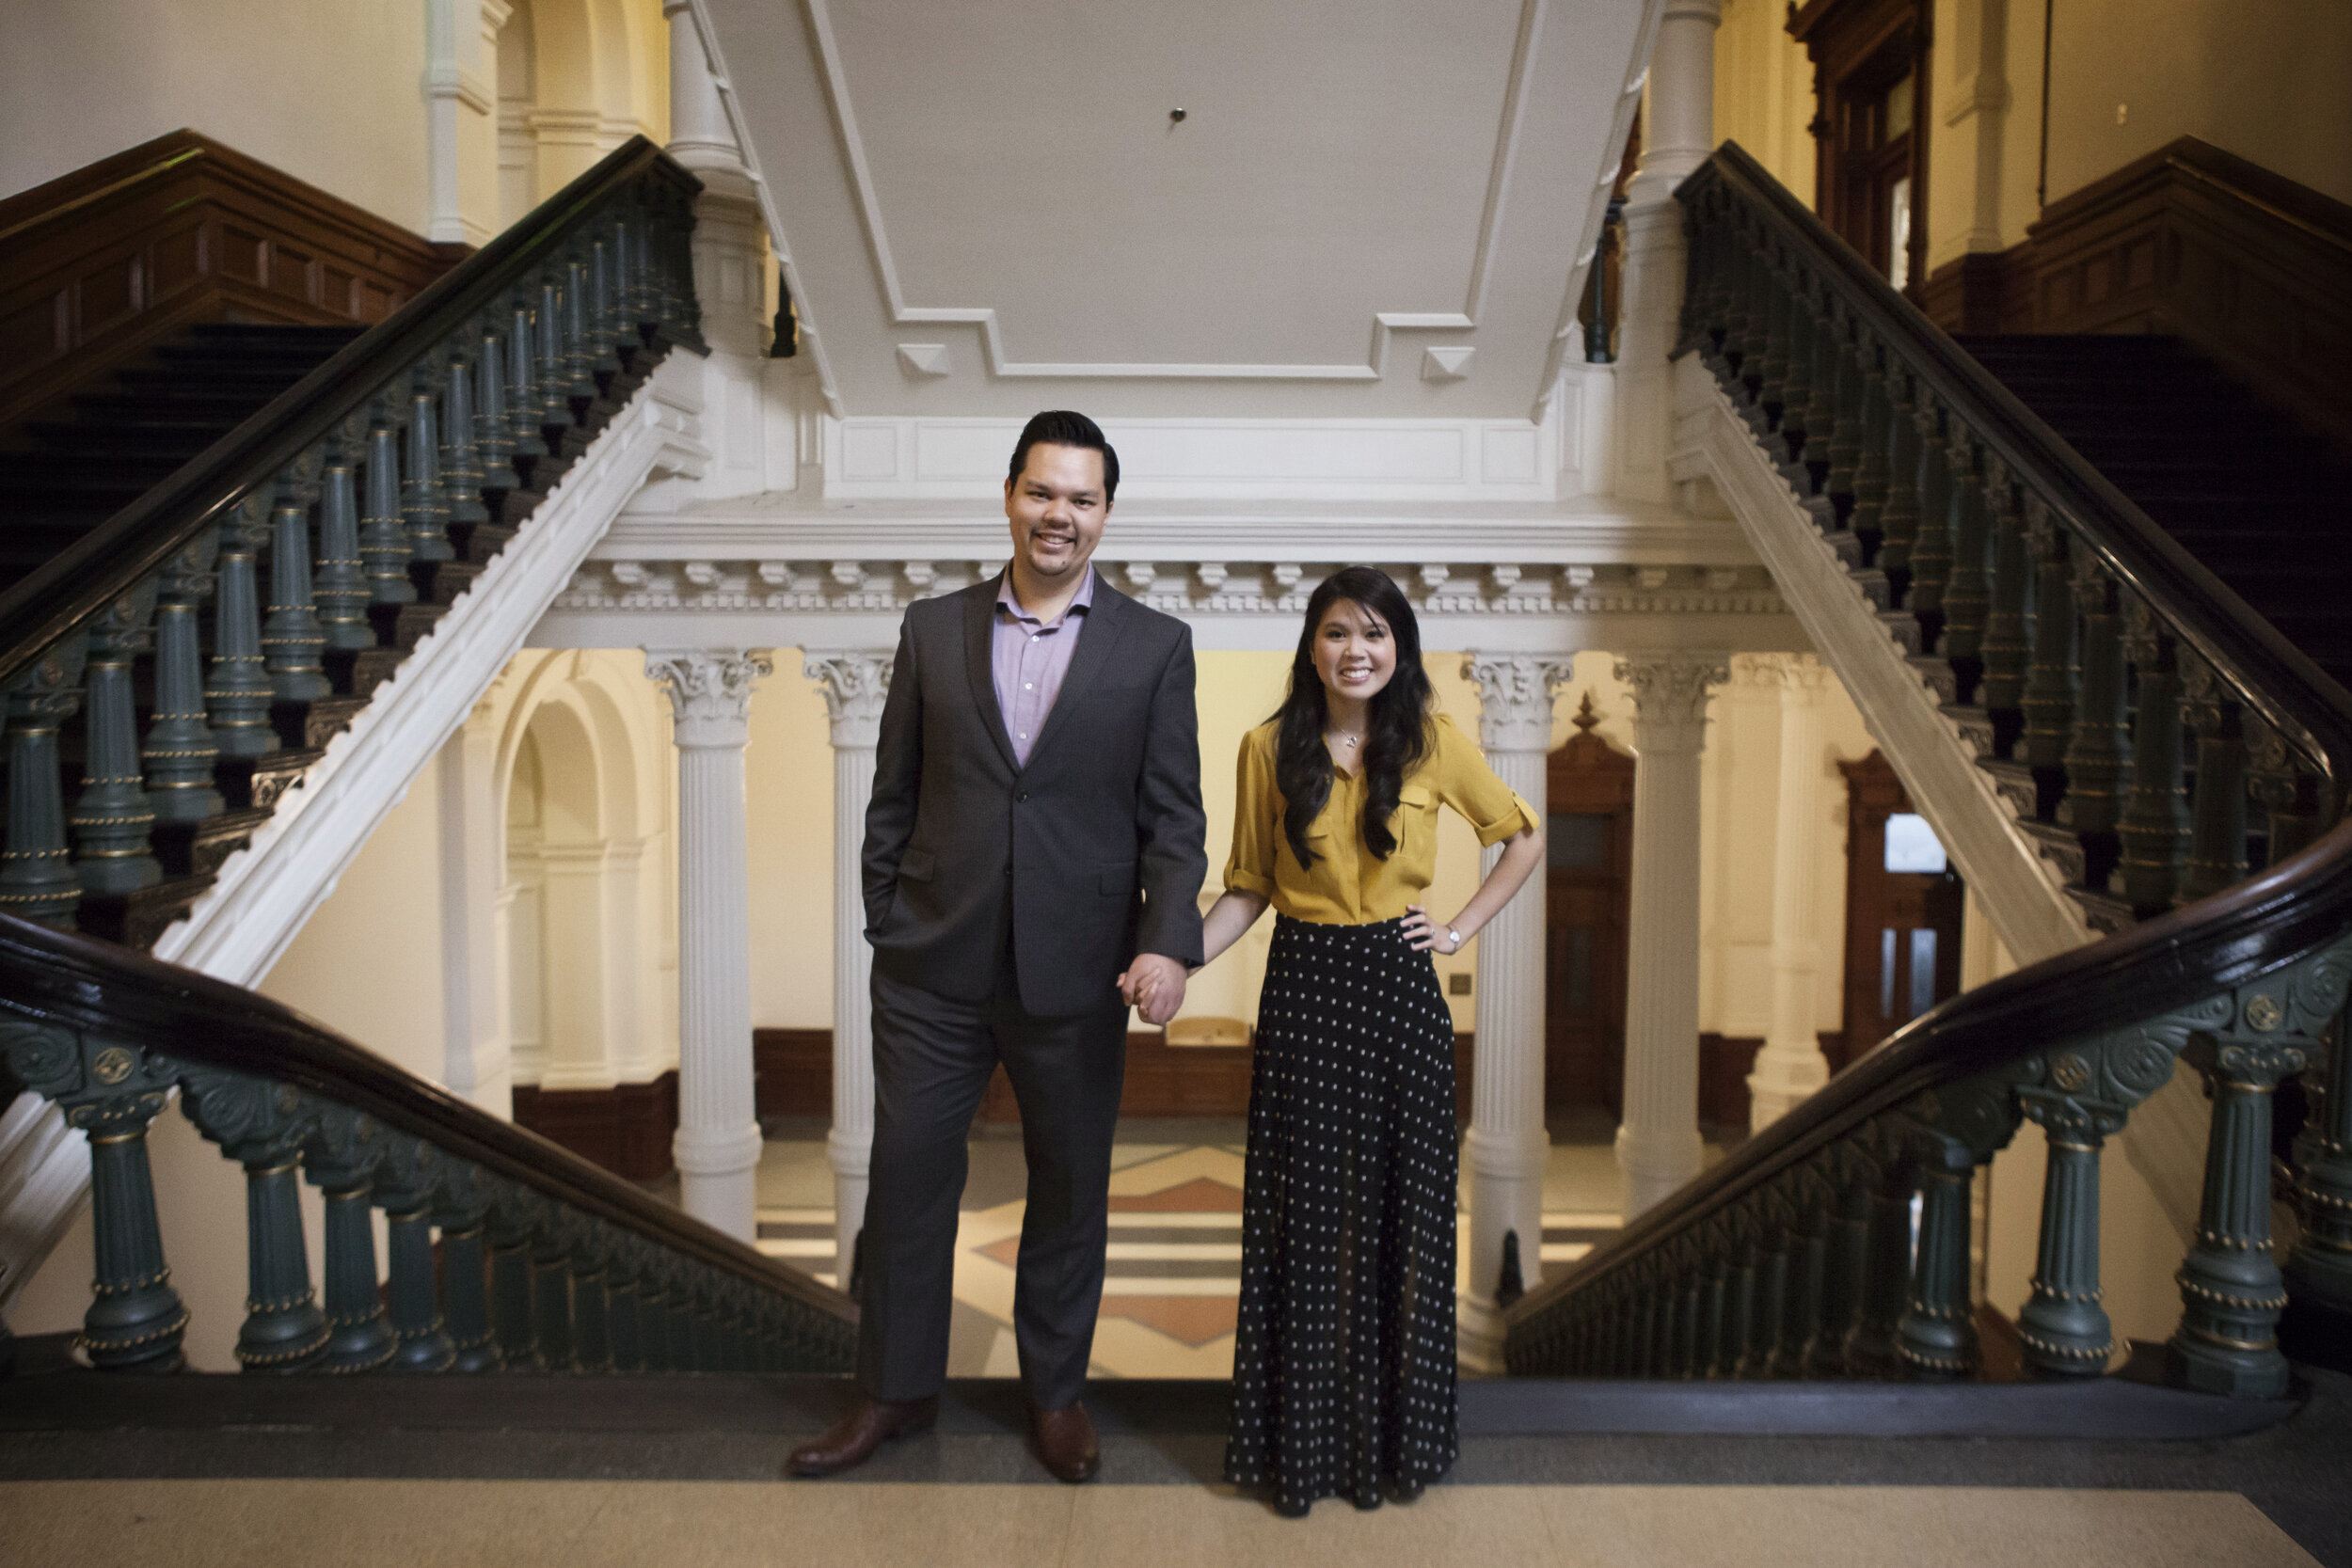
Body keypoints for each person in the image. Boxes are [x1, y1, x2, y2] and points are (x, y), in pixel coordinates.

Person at [787, 410, 1207, 1483]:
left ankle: (1055, 1397)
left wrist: (1168, 943)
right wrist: (889, 917)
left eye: (1081, 497)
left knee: (1069, 1187)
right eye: (1042, 491)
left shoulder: (1155, 646)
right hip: (932, 965)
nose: (1058, 514)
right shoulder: (932, 629)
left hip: (1080, 970)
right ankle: (893, 1393)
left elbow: (1175, 818)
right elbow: (893, 792)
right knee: (909, 1178)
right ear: (1009, 495)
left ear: (1105, 513)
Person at [1143, 565, 1544, 1517]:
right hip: (1307, 987)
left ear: (1397, 647)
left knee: (1406, 1215)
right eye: (1335, 632)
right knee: (1305, 1220)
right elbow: (1245, 884)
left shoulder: (1434, 743)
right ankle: (1303, 1446)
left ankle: (1394, 1443)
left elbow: (1519, 836)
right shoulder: (1265, 747)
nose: (1354, 649)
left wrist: (1454, 929)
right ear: (1310, 646)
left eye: (1373, 632)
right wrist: (1172, 960)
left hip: (1400, 990)